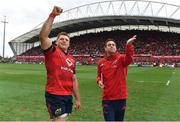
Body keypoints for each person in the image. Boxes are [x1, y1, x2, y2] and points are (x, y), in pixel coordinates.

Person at [39, 6, 81, 121]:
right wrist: (52, 15)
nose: (64, 41)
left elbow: (74, 79)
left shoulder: (72, 60)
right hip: (54, 95)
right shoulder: (52, 51)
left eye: (66, 40)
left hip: (67, 96)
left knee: (63, 119)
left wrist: (77, 99)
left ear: (69, 44)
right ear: (56, 42)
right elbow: (43, 37)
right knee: (60, 120)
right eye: (61, 39)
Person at [96, 35, 136, 121]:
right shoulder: (101, 62)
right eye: (109, 45)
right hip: (107, 99)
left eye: (113, 45)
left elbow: (129, 59)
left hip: (120, 98)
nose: (111, 46)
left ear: (116, 47)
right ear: (105, 48)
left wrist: (128, 45)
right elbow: (99, 76)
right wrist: (99, 81)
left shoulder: (121, 59)